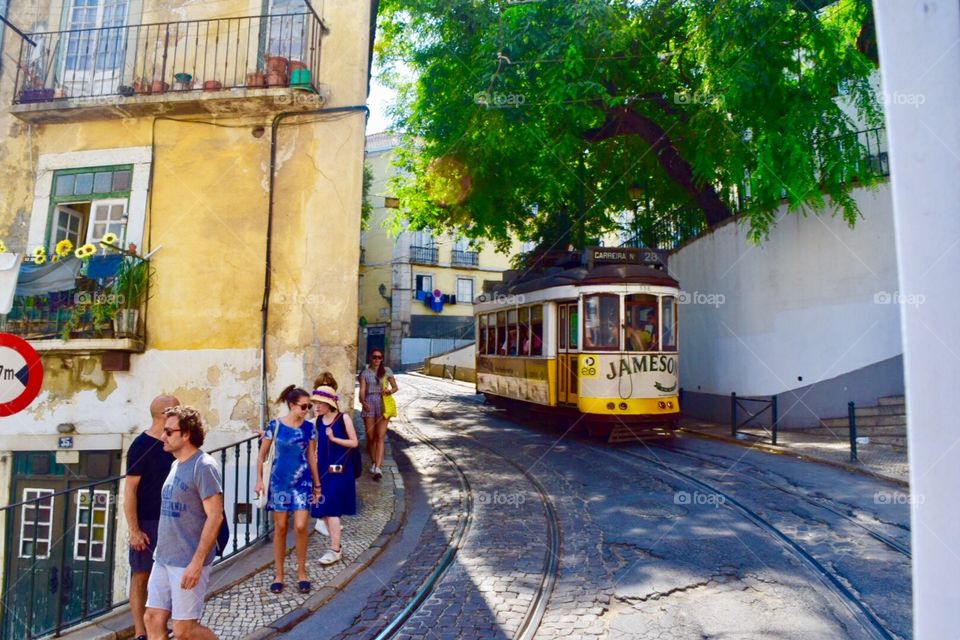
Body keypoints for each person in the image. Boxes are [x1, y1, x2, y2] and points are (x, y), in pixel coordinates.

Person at [144, 406, 223, 640]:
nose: (162, 436)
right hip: (164, 557)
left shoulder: (204, 466)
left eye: (168, 432)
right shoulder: (175, 464)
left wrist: (196, 563)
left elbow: (215, 516)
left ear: (186, 434)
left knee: (184, 631)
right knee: (152, 618)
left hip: (187, 560)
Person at [255, 385, 321, 594]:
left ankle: (302, 571)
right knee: (281, 527)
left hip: (302, 483)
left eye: (309, 406)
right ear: (292, 405)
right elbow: (261, 456)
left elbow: (312, 456)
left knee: (301, 526)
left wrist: (317, 485)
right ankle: (279, 574)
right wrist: (258, 480)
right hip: (279, 483)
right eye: (303, 406)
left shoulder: (309, 428)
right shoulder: (274, 426)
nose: (307, 410)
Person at [125, 395, 179, 640]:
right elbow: (130, 491)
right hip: (147, 520)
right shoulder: (140, 445)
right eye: (177, 409)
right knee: (141, 574)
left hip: (173, 520)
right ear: (165, 414)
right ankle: (140, 632)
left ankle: (160, 626)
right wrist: (134, 530)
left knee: (168, 576)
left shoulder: (176, 443)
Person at [311, 384, 359, 565]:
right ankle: (336, 543)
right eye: (315, 402)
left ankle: (335, 548)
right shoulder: (317, 421)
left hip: (341, 470)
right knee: (321, 508)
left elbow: (354, 443)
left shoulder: (342, 418)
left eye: (320, 403)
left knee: (330, 507)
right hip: (322, 470)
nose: (317, 406)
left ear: (329, 403)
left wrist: (334, 439)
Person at [359, 349, 397, 480]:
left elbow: (395, 387)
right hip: (370, 403)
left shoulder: (387, 371)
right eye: (374, 357)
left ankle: (377, 466)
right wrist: (363, 401)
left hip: (383, 404)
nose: (377, 360)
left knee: (380, 436)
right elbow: (362, 390)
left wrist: (389, 391)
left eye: (379, 357)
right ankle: (374, 461)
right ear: (370, 358)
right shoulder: (365, 373)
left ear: (382, 359)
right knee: (371, 436)